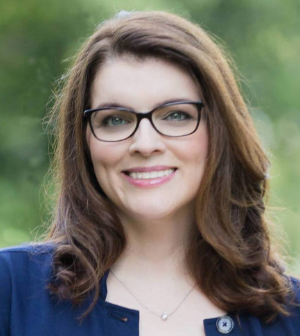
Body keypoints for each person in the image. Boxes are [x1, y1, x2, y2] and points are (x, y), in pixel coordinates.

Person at [0, 10, 299, 336]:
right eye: (115, 119)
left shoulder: (290, 315)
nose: (144, 143)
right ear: (83, 141)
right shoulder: (12, 290)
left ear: (220, 130)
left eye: (175, 115)